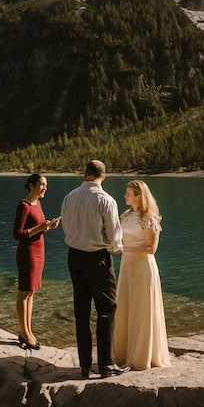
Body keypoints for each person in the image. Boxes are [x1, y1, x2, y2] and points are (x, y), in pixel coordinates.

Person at [60, 159, 127, 379]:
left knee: (81, 310)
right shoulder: (106, 200)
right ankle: (106, 365)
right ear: (103, 176)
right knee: (107, 308)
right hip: (97, 258)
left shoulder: (69, 197)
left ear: (84, 174)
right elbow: (115, 237)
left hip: (74, 256)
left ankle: (85, 366)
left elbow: (67, 228)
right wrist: (116, 247)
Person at [112, 180, 171, 370]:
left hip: (143, 268)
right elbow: (118, 237)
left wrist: (124, 248)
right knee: (126, 307)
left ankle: (143, 357)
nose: (125, 196)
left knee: (142, 309)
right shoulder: (126, 215)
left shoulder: (149, 219)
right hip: (128, 267)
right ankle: (124, 354)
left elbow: (150, 248)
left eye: (128, 193)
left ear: (138, 196)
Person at [12, 173, 59, 350]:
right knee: (24, 292)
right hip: (27, 254)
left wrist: (47, 227)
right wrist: (40, 227)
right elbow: (17, 234)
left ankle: (28, 331)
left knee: (31, 292)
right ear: (31, 186)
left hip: (39, 251)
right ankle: (23, 333)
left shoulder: (38, 204)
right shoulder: (23, 206)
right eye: (41, 184)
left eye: (46, 184)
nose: (45, 187)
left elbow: (37, 229)